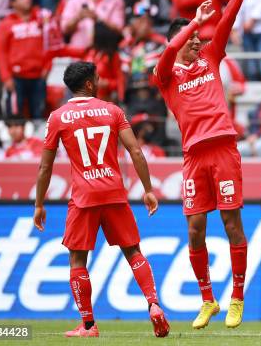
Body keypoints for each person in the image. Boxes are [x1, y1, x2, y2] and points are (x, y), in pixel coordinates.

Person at [152, 0, 261, 330]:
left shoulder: (210, 58)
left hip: (222, 150)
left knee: (232, 223)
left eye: (197, 37)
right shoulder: (165, 76)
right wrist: (191, 23)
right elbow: (168, 50)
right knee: (194, 229)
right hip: (193, 157)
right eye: (190, 38)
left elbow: (229, 19)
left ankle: (237, 297)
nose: (195, 41)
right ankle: (208, 300)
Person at [33, 61, 170, 338]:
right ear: (88, 84)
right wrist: (148, 189)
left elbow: (45, 167)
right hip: (114, 192)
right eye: (97, 78)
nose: (100, 81)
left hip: (83, 196)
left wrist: (39, 204)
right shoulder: (112, 111)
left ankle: (88, 325)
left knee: (77, 260)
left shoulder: (58, 117)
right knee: (133, 252)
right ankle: (153, 304)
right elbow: (136, 151)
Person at [0, 0, 47, 119]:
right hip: (16, 77)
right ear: (13, 3)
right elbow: (1, 53)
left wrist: (47, 67)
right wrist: (6, 77)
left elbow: (50, 45)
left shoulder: (42, 17)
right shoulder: (6, 24)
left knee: (39, 115)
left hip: (38, 75)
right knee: (14, 115)